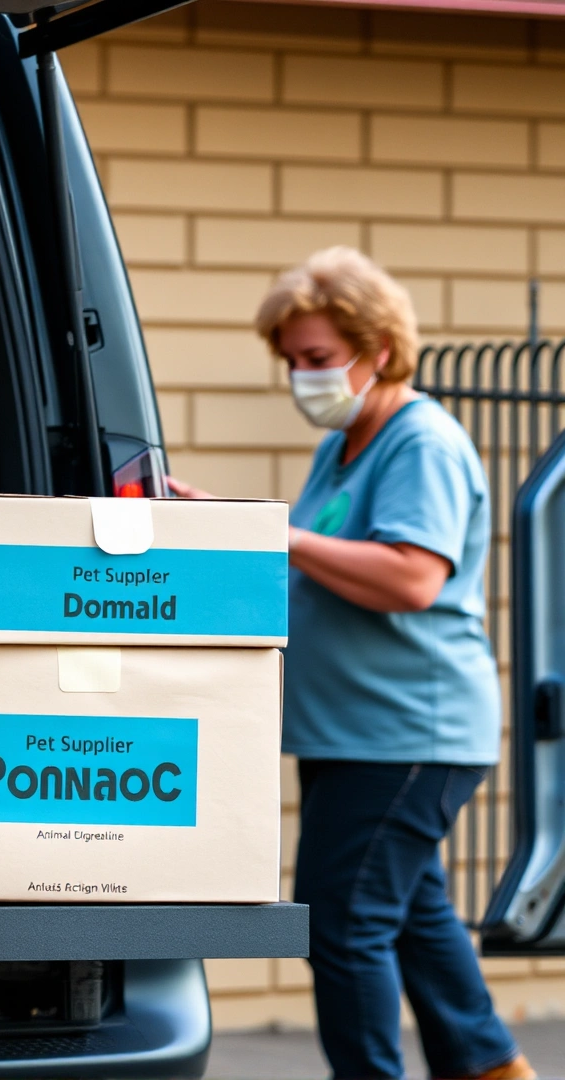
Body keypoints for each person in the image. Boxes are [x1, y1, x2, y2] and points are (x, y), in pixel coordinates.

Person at [168, 247, 532, 1080]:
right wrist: (233, 526)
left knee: (344, 923)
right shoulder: (348, 445)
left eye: (319, 360)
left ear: (377, 349)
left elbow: (411, 576)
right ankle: (490, 1067)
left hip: (407, 733)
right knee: (412, 915)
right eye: (292, 361)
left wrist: (278, 532)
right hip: (349, 730)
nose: (303, 377)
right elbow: (323, 558)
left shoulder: (421, 444)